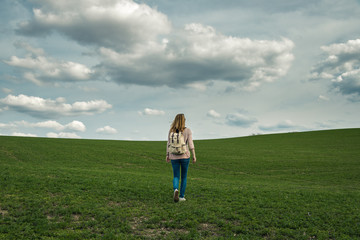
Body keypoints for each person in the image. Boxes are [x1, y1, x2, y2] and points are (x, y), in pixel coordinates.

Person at [166, 113, 196, 202]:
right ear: (184, 120)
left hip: (173, 156)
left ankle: (176, 189)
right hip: (185, 156)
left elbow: (168, 143)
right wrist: (194, 155)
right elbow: (190, 144)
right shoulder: (188, 130)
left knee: (176, 176)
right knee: (184, 177)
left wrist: (167, 155)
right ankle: (182, 197)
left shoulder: (171, 130)